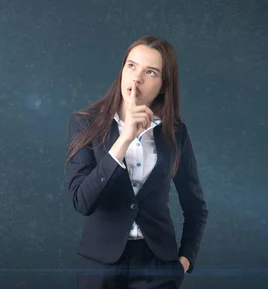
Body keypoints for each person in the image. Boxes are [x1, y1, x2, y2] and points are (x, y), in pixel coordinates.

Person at [65, 35, 208, 289]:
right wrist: (125, 139)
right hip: (100, 266)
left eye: (150, 72)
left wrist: (184, 261)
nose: (136, 78)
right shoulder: (85, 123)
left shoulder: (176, 133)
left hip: (157, 265)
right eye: (131, 66)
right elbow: (82, 202)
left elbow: (195, 207)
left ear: (164, 85)